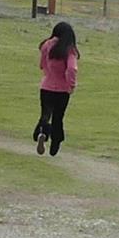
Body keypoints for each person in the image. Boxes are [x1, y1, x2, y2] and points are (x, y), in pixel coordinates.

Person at [34, 19, 79, 155]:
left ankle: (43, 133)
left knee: (45, 113)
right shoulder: (69, 50)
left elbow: (42, 65)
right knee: (58, 117)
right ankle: (55, 143)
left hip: (46, 87)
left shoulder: (47, 45)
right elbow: (72, 69)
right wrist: (71, 84)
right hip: (62, 90)